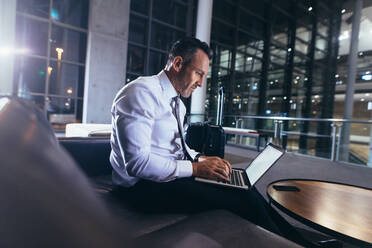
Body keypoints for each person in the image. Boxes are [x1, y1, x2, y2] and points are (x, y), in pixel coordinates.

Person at [109, 37, 307, 246]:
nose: (201, 83)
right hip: (139, 189)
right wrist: (196, 169)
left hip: (166, 177)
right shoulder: (141, 92)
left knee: (244, 187)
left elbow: (177, 147)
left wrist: (201, 158)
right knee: (241, 198)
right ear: (177, 64)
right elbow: (137, 164)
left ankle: (300, 241)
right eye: (198, 73)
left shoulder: (177, 103)